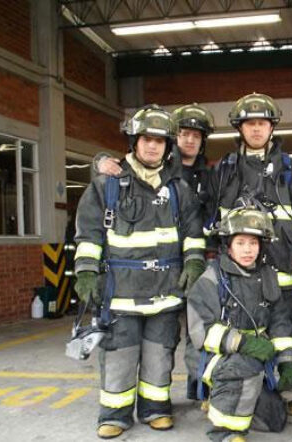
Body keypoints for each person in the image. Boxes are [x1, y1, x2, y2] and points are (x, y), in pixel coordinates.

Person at [73, 105, 205, 439]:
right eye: (146, 139)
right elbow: (88, 234)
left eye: (160, 141)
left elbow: (192, 233)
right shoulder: (108, 185)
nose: (152, 146)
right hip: (120, 292)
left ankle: (156, 408)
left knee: (160, 354)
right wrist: (87, 271)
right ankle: (115, 414)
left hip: (165, 291)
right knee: (119, 354)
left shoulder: (179, 189)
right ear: (134, 141)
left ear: (168, 146)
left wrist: (193, 262)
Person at [205, 92, 292, 416]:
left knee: (290, 330)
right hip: (241, 272)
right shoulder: (225, 170)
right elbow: (214, 220)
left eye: (262, 123)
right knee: (243, 328)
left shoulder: (290, 170)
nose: (256, 129)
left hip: (283, 268)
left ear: (272, 127)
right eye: (250, 124)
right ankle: (235, 389)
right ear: (239, 128)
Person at [186, 206, 292, 442]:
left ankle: (223, 400)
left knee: (274, 421)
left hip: (254, 355)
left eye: (254, 243)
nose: (248, 250)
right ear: (228, 245)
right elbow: (202, 331)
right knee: (243, 367)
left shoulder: (267, 275)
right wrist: (245, 343)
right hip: (212, 354)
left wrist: (287, 360)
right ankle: (225, 432)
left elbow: (280, 321)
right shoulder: (211, 279)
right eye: (241, 242)